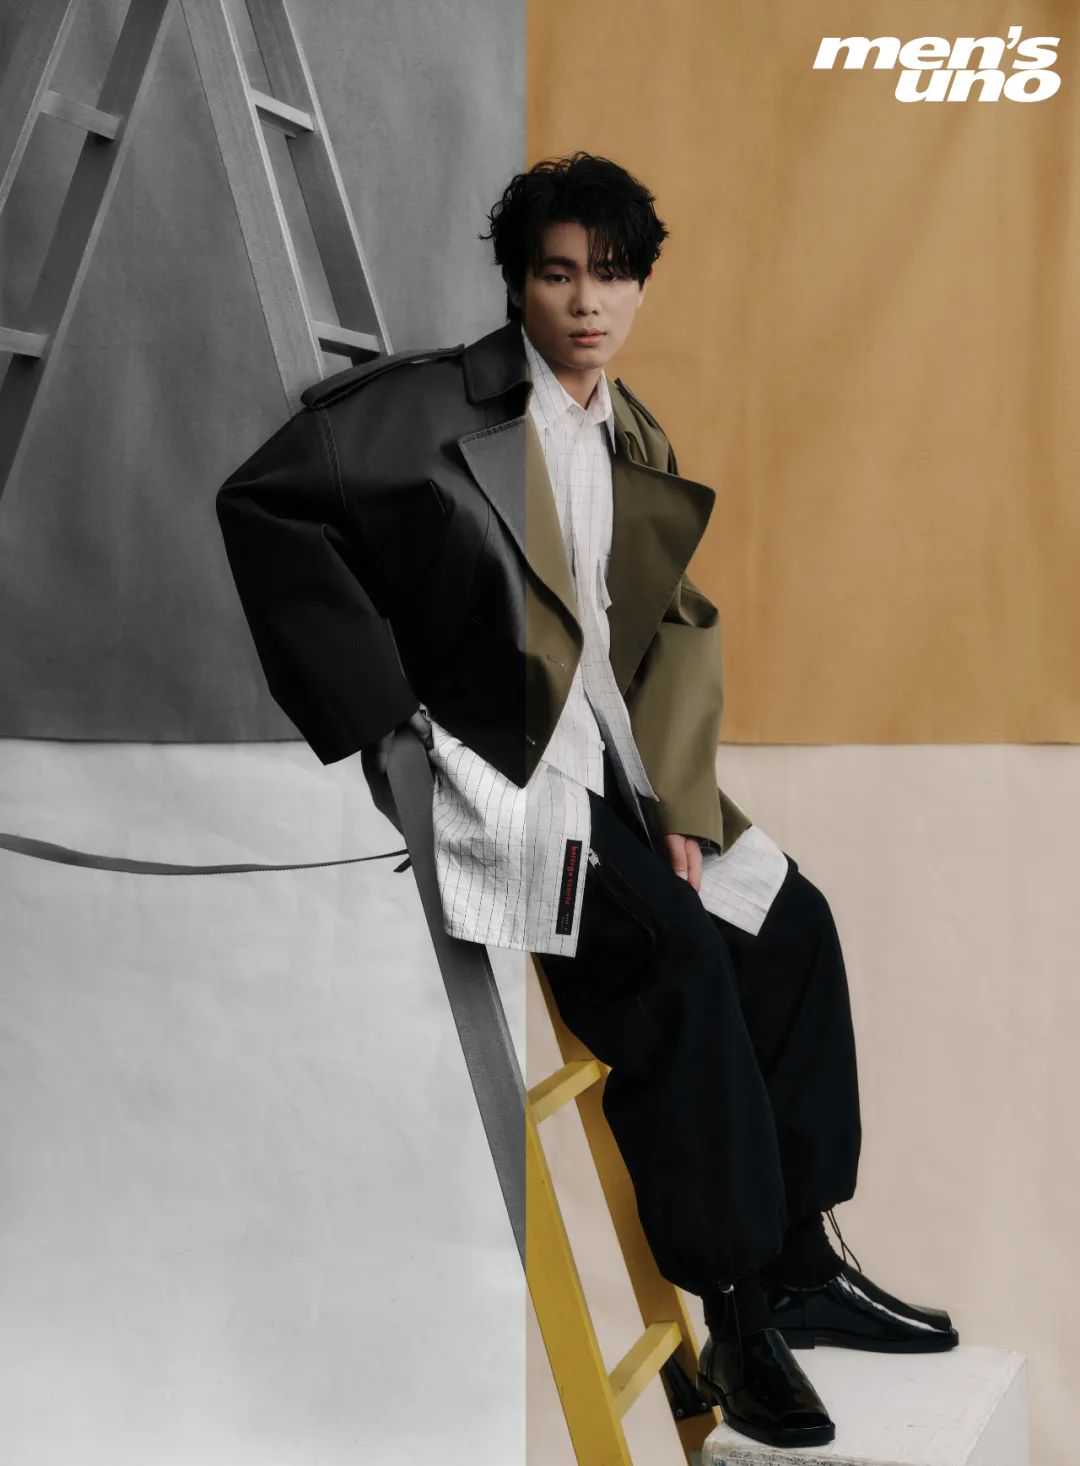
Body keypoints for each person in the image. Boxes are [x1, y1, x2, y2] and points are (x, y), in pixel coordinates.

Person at [216, 151, 958, 1451]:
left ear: (639, 286)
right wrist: (388, 726)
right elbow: (264, 502)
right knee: (676, 964)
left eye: (610, 276)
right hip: (505, 780)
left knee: (792, 926)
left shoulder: (630, 426)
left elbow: (669, 619)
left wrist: (679, 798)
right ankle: (734, 1310)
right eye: (558, 274)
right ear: (519, 283)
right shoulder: (433, 407)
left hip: (620, 764)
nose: (586, 302)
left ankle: (799, 1260)